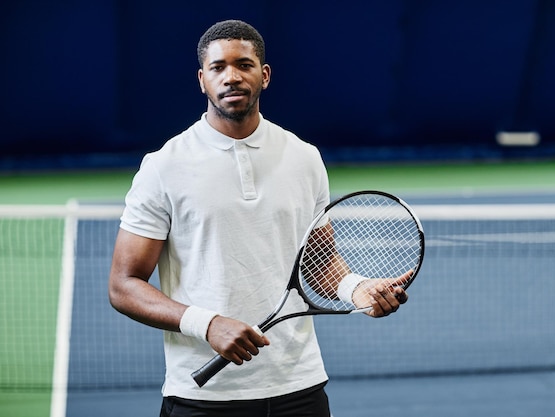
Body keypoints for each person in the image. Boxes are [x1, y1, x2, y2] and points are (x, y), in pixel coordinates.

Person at [108, 19, 409, 417]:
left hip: (299, 386)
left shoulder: (304, 158)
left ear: (264, 75)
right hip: (203, 397)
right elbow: (123, 285)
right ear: (202, 79)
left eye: (244, 65)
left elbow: (320, 266)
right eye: (218, 67)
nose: (231, 76)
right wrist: (208, 323)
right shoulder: (164, 167)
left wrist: (358, 291)